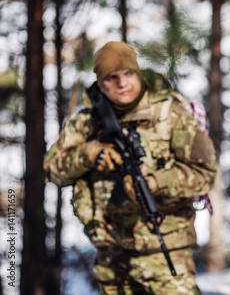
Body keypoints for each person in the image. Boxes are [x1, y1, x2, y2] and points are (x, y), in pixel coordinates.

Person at [44, 41, 216, 294]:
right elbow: (52, 171)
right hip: (112, 256)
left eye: (128, 74)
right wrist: (88, 154)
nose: (122, 83)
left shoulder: (172, 115)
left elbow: (205, 174)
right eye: (112, 78)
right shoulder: (87, 122)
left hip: (166, 253)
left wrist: (156, 182)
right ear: (100, 84)